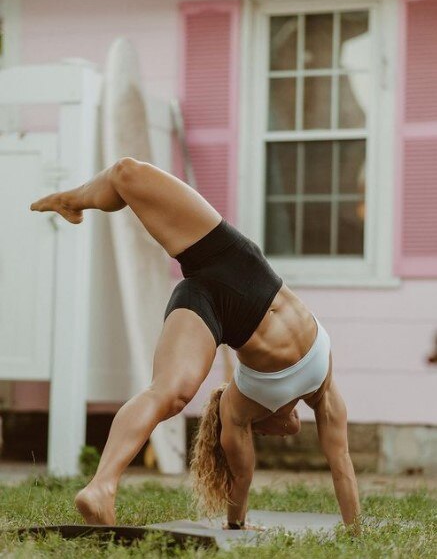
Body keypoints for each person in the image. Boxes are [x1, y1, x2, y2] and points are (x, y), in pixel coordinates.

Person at [30, 157, 360, 530]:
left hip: (206, 302)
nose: (289, 428)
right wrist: (357, 535)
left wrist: (237, 525)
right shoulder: (322, 386)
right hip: (234, 260)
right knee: (127, 173)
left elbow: (241, 478)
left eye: (269, 433)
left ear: (261, 426)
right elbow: (342, 465)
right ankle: (73, 200)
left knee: (168, 393)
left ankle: (100, 486)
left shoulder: (239, 408)